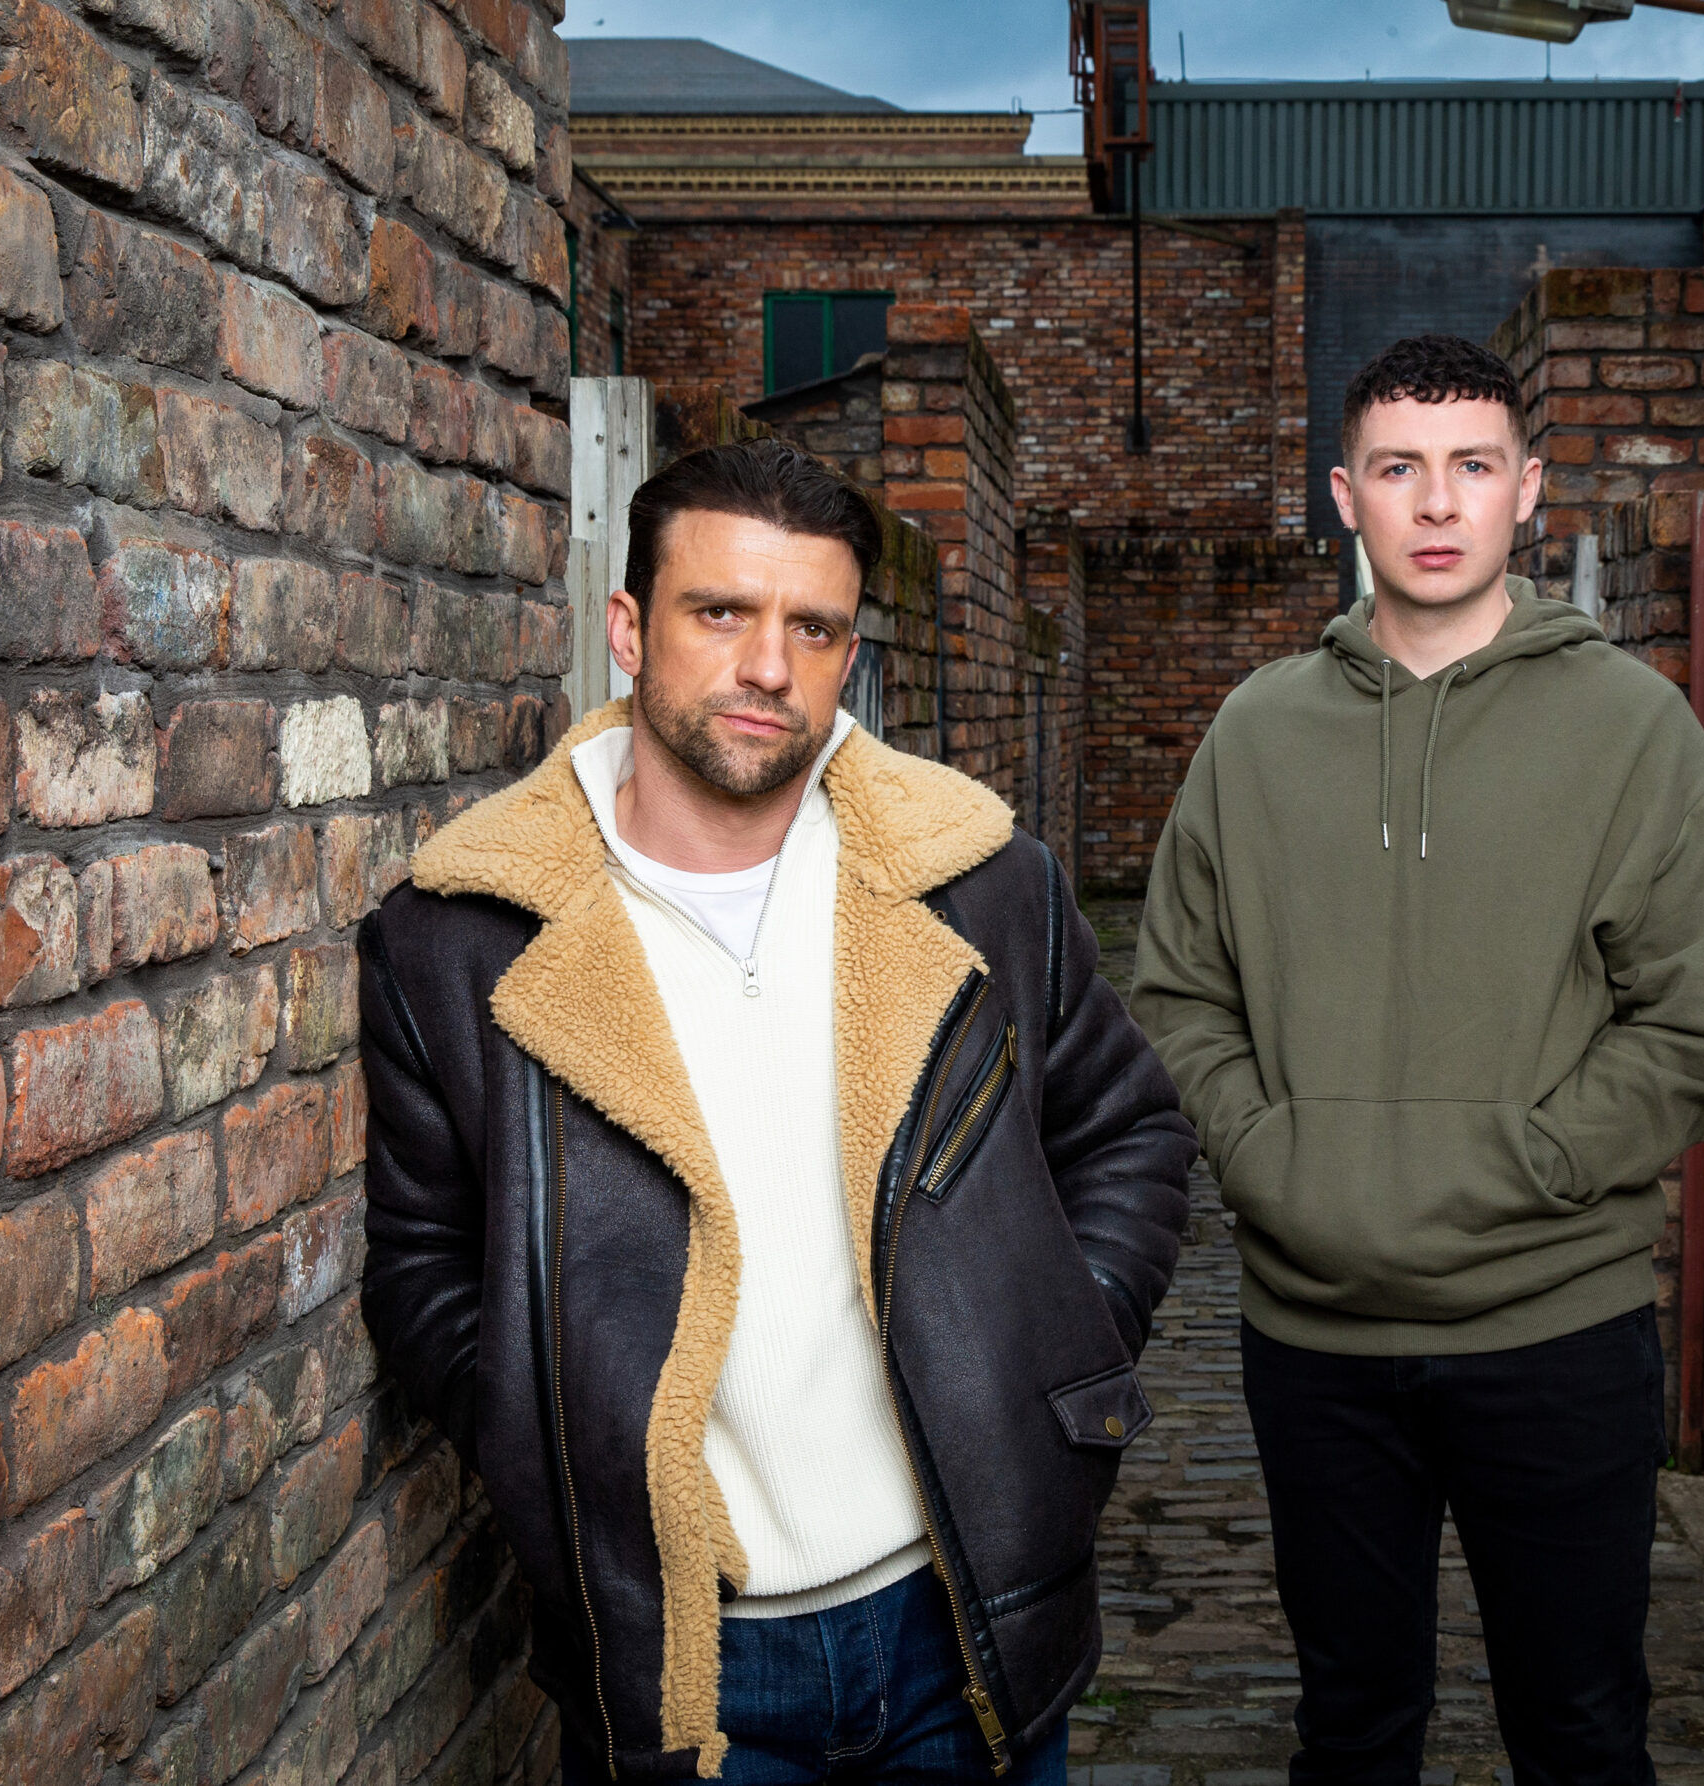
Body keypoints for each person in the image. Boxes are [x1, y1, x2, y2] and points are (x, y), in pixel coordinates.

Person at [359, 438, 1196, 1785]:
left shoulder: (976, 884)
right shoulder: (458, 940)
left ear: (849, 658)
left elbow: (1131, 1132)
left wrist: (1050, 1340)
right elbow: (420, 1260)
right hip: (685, 1661)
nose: (768, 666)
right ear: (628, 629)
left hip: (960, 1622)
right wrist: (555, 1434)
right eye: (721, 612)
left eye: (813, 627)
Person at [1130, 333, 1704, 1786]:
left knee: (1583, 1734)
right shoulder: (1254, 734)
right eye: (1400, 469)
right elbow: (1178, 988)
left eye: (1471, 467)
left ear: (1525, 491)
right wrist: (1273, 1152)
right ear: (1344, 493)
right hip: (1316, 1340)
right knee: (1352, 1731)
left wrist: (1534, 1160)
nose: (1436, 503)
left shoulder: (1630, 730)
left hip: (1555, 1328)